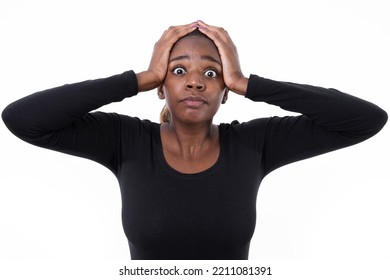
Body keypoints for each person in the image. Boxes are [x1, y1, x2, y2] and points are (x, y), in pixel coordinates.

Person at [2, 20, 387, 260]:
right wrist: (138, 77)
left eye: (213, 73)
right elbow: (23, 119)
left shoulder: (255, 143)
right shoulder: (124, 140)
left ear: (224, 91)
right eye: (178, 69)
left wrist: (249, 84)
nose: (194, 81)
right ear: (160, 86)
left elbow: (365, 120)